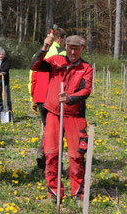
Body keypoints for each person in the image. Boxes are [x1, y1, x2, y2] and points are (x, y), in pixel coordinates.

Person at [30, 34, 92, 202]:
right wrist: (44, 48)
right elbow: (35, 65)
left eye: (77, 49)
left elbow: (86, 90)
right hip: (53, 114)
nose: (73, 51)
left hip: (74, 116)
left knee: (76, 156)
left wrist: (70, 98)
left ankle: (79, 194)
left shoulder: (86, 68)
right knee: (51, 154)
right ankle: (54, 193)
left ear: (82, 50)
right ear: (66, 47)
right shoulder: (56, 60)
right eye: (70, 48)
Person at [29, 27, 66, 169]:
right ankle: (50, 161)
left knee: (49, 128)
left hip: (39, 96)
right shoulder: (61, 53)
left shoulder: (41, 52)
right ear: (60, 39)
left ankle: (43, 155)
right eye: (64, 40)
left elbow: (32, 74)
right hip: (52, 97)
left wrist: (33, 96)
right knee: (55, 131)